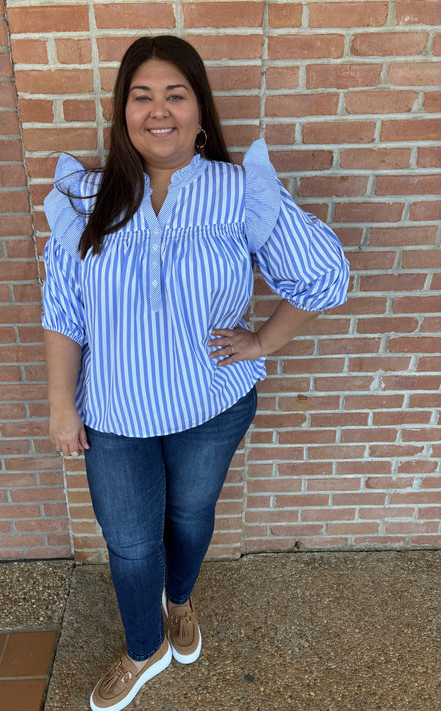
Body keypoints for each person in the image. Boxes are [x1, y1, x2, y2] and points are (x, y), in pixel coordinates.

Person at [42, 35, 349, 711]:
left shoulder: (238, 191)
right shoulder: (85, 196)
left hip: (210, 403)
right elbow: (63, 310)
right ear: (122, 110)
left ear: (199, 109)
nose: (159, 111)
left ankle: (179, 602)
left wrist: (262, 339)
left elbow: (323, 275)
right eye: (141, 95)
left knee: (188, 514)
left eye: (174, 95)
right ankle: (143, 647)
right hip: (115, 412)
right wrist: (62, 405)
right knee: (126, 541)